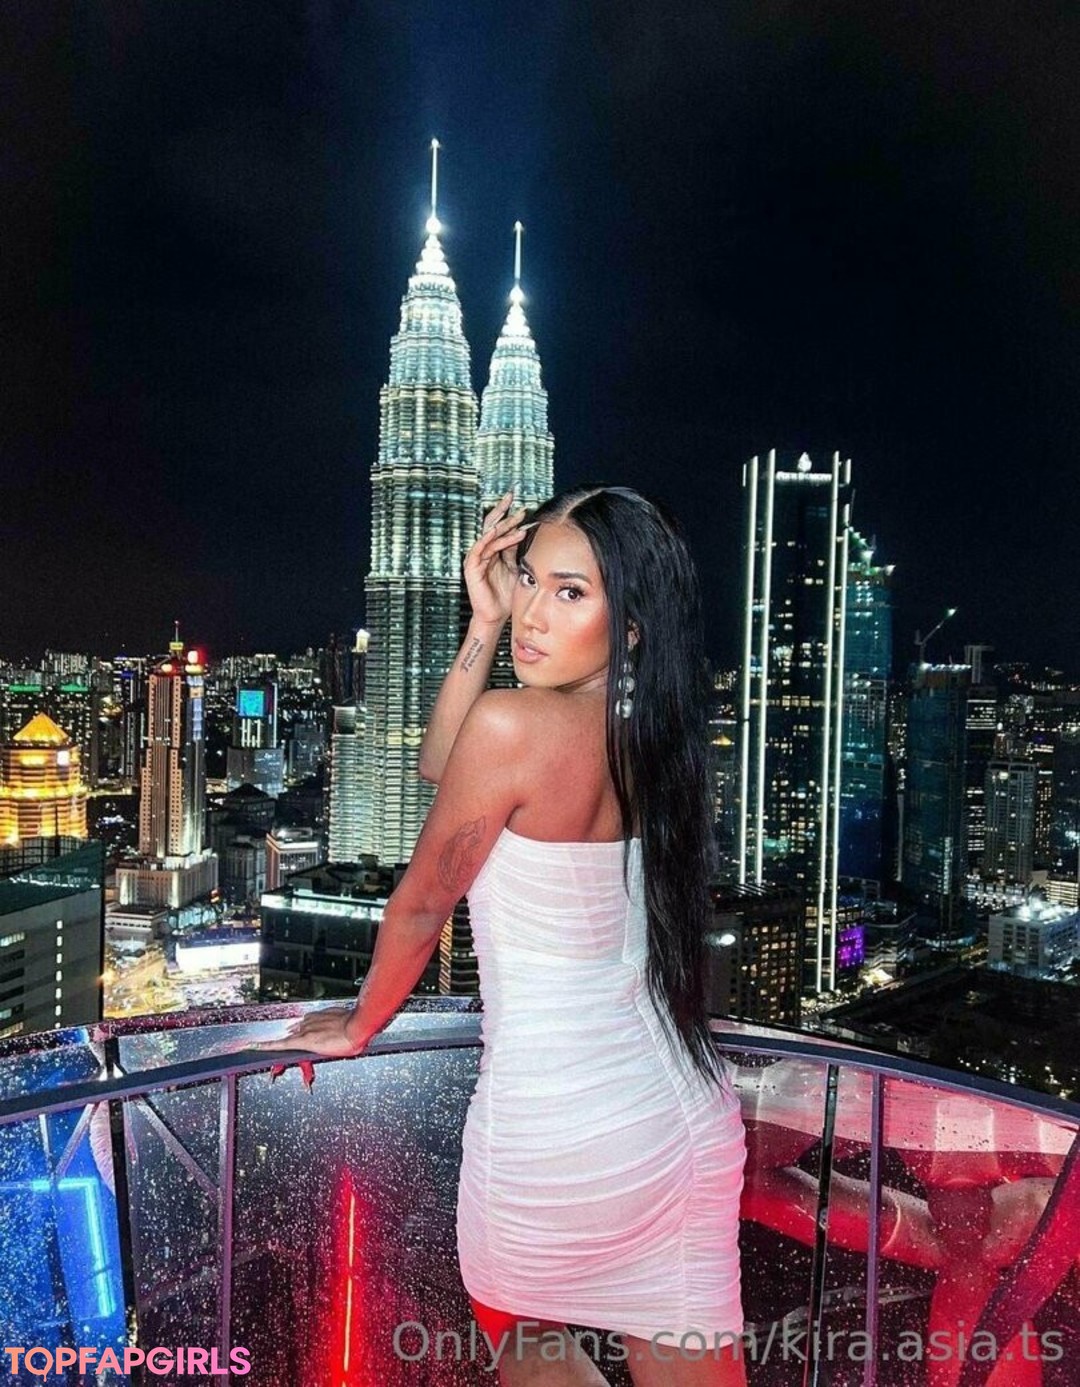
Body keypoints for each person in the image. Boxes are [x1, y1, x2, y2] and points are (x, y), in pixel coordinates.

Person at [254, 484, 748, 1385]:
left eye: (571, 592)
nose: (531, 611)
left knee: (519, 1330)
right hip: (681, 1120)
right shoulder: (655, 735)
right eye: (528, 580)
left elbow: (421, 903)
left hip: (555, 1130)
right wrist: (482, 620)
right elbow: (444, 764)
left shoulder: (516, 725)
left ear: (631, 624)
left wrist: (360, 1023)